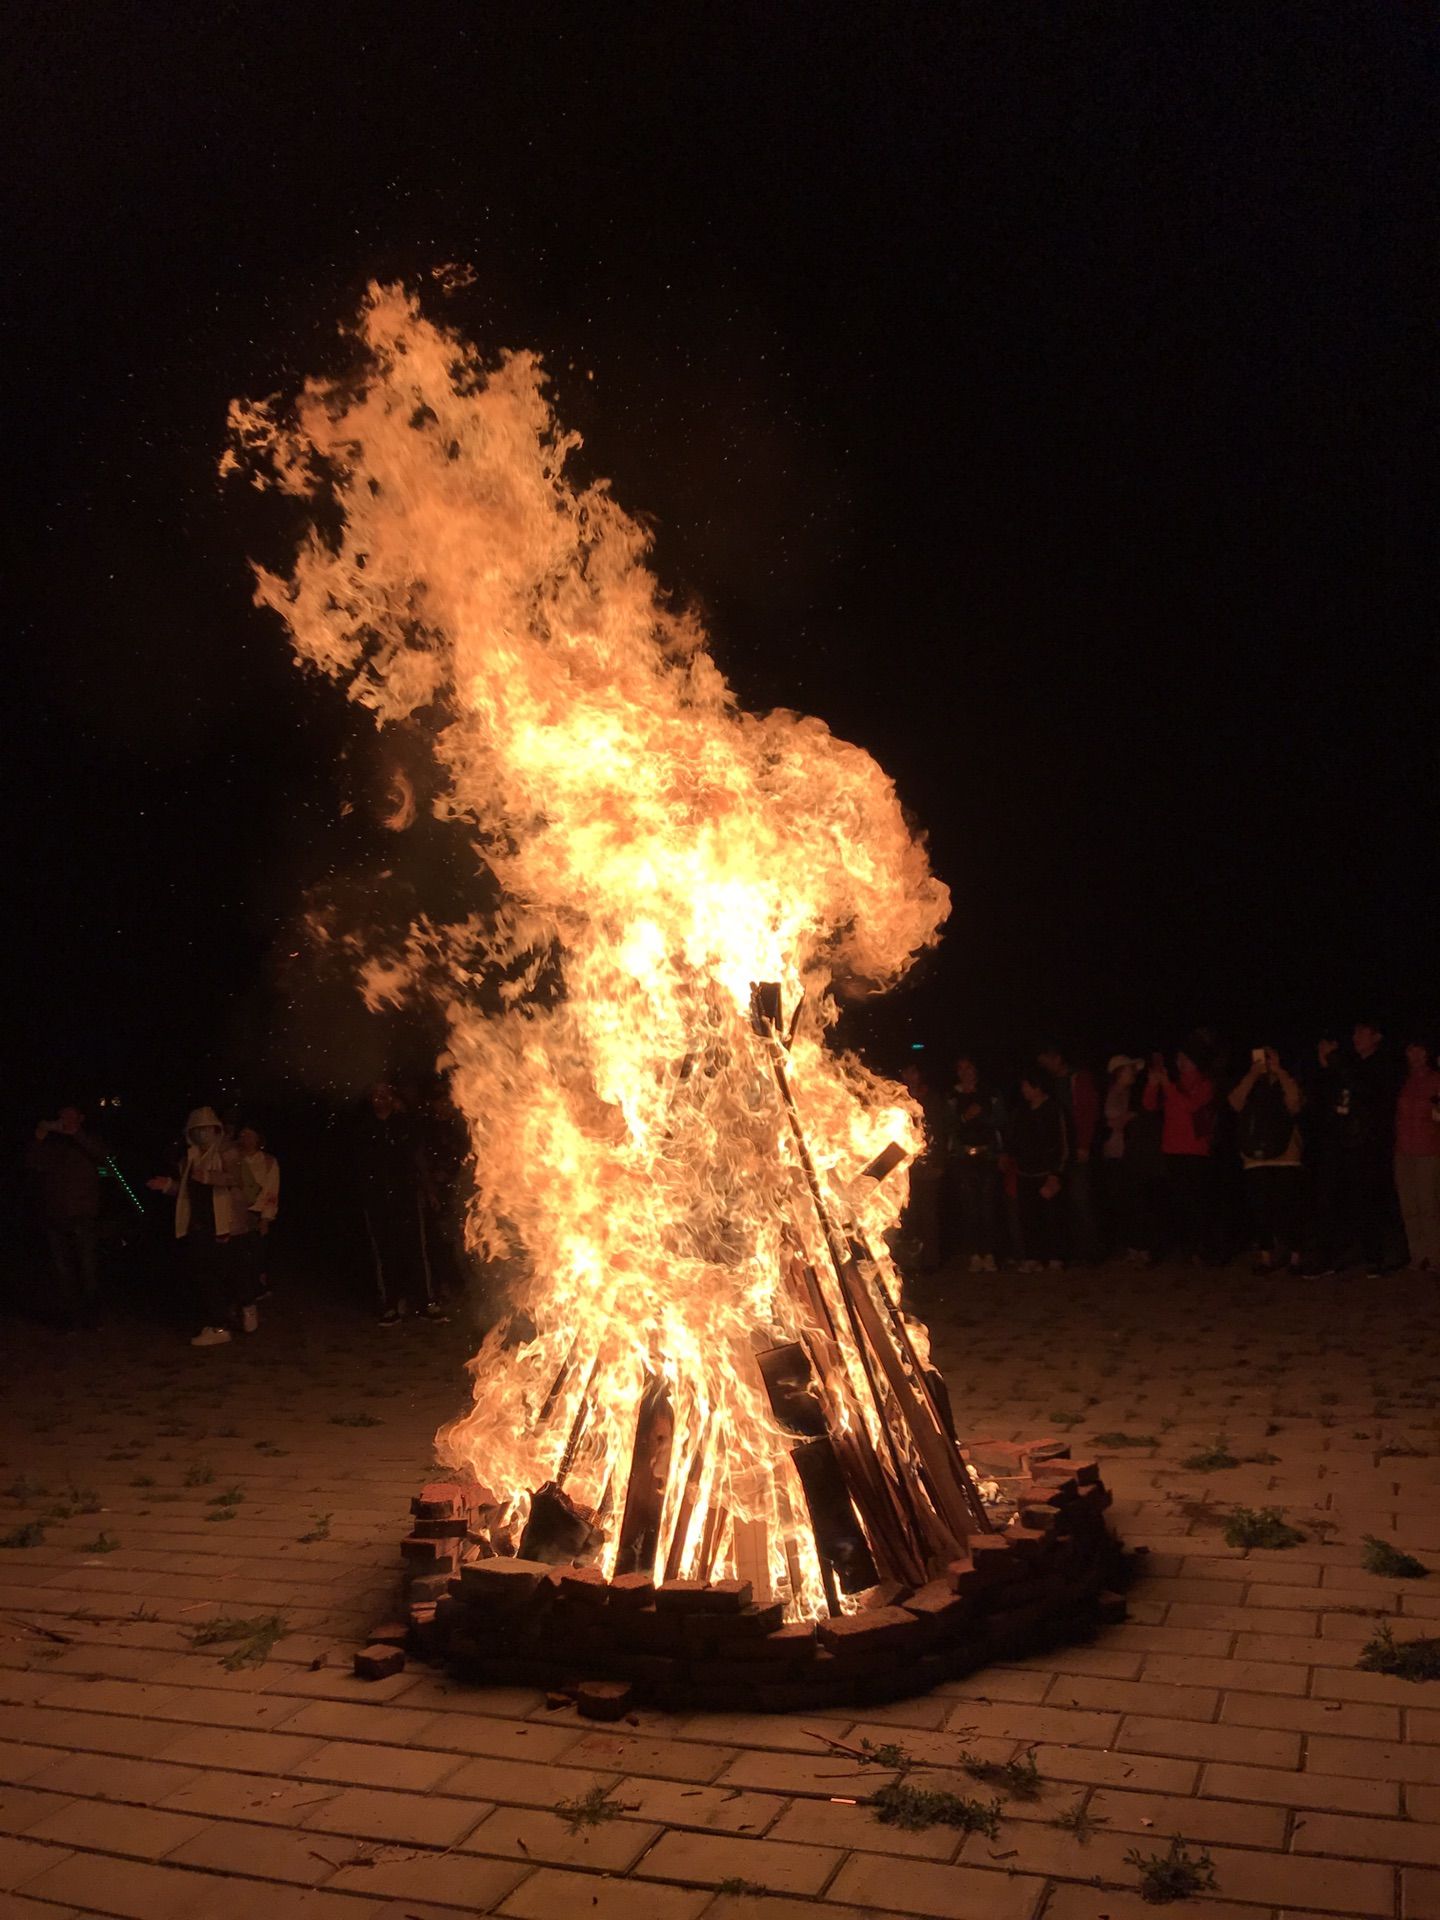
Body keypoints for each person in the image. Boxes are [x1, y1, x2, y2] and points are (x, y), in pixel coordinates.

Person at [147, 1106, 256, 1346]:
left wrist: (208, 1177)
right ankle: (218, 1325)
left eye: (207, 1129)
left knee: (234, 1272)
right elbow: (186, 1190)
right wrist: (167, 1185)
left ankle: (247, 1304)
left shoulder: (228, 1151)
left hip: (228, 1224)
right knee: (205, 1275)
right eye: (197, 1130)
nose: (202, 1135)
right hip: (200, 1226)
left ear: (215, 1130)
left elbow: (237, 1179)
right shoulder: (189, 1158)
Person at [1307, 1021, 1402, 1277]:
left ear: (1377, 1036)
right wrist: (1327, 1066)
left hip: (1370, 1145)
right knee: (1339, 1200)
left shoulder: (1382, 1065)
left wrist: (1337, 1062)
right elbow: (1329, 1098)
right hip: (1344, 1143)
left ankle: (1375, 1256)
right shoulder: (1351, 1064)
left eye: (1362, 1032)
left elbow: (1367, 1092)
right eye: (1355, 1032)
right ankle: (1335, 1255)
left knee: (1369, 1199)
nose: (1356, 1037)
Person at [354, 1081, 446, 1323]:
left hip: (407, 1195)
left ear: (393, 1097)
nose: (380, 1099)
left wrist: (429, 1191)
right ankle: (390, 1304)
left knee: (417, 1248)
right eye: (376, 1094)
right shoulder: (363, 1127)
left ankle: (427, 1302)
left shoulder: (405, 1124)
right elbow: (357, 1165)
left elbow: (419, 1159)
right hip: (377, 1198)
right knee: (384, 1251)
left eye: (385, 1094)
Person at [25, 1105, 107, 1328]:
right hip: (55, 1214)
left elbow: (103, 1157)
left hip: (83, 1214)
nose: (66, 1119)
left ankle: (93, 1319)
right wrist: (39, 1139)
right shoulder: (53, 1143)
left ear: (81, 1117)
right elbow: (33, 1164)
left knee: (88, 1269)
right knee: (63, 1271)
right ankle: (72, 1319)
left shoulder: (89, 1140)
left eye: (71, 1115)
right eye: (62, 1115)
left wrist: (77, 1135)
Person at [1229, 1047, 1306, 1272]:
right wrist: (1253, 1075)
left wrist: (1280, 1072)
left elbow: (1295, 1103)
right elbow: (1234, 1102)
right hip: (1255, 1156)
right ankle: (1266, 1257)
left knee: (1289, 1208)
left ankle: (1295, 1256)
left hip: (1286, 1155)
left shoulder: (1287, 1080)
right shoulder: (1250, 1083)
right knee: (1261, 1210)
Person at [1143, 1045, 1219, 1262]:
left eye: (1184, 1058)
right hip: (1172, 1150)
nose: (1180, 1062)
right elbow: (1149, 1105)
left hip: (1195, 1151)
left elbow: (1189, 1105)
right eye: (1178, 1058)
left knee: (1198, 1202)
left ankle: (1203, 1248)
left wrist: (1166, 1085)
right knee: (1179, 1202)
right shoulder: (1175, 1085)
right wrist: (1152, 1084)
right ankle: (1186, 1247)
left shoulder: (1204, 1083)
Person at [1037, 1045, 1100, 1262]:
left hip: (1075, 1147)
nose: (1044, 1064)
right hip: (1058, 1149)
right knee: (1064, 1200)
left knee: (1080, 1198)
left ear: (1057, 1058)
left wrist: (1084, 1144)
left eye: (1046, 1059)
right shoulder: (1051, 1083)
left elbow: (1087, 1112)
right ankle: (1071, 1250)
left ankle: (1090, 1252)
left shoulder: (1078, 1079)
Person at [1008, 1070, 1069, 1270]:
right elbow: (1015, 1139)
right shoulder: (1021, 1112)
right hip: (1025, 1172)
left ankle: (1054, 1256)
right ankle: (1032, 1257)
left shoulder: (1053, 1109)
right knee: (1028, 1216)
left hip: (1046, 1172)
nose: (1024, 1090)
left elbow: (1063, 1143)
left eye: (1027, 1086)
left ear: (1038, 1087)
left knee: (1051, 1217)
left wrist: (1055, 1174)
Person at [945, 1055, 999, 1272]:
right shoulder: (952, 1097)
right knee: (970, 1208)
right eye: (961, 1068)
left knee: (988, 1207)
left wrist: (983, 1115)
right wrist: (965, 1118)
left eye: (969, 1068)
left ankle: (991, 1254)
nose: (966, 1072)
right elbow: (947, 1126)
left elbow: (1001, 1121)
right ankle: (974, 1254)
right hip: (964, 1158)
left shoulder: (989, 1094)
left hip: (987, 1157)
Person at [1394, 1037, 1440, 1272]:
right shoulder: (1404, 1081)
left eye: (1421, 1050)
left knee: (1428, 1206)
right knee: (1409, 1206)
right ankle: (1417, 1254)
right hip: (1403, 1151)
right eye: (1412, 1049)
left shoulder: (1436, 1080)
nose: (1416, 1055)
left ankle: (1435, 1256)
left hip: (1428, 1151)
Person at [1096, 1056, 1147, 1263]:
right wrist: (1129, 1117)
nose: (1133, 1073)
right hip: (1116, 1153)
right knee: (1125, 1200)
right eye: (1128, 1069)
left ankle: (1136, 1244)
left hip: (1128, 1152)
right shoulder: (1112, 1094)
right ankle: (1132, 1244)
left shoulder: (1129, 1094)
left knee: (1133, 1200)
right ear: (1118, 1073)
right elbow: (1112, 1122)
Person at [238, 1125, 281, 1299]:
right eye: (242, 1135)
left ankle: (256, 1289)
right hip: (235, 1212)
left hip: (255, 1213)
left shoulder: (268, 1161)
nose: (245, 1138)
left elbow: (272, 1190)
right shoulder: (233, 1158)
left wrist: (266, 1218)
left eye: (249, 1135)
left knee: (256, 1254)